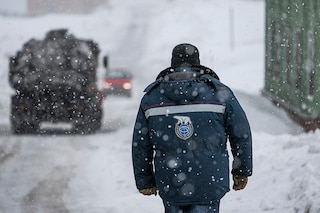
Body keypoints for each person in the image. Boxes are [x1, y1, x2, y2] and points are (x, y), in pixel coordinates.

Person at [132, 43, 252, 213]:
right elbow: (241, 133)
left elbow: (141, 143)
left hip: (171, 182)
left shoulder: (152, 98)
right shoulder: (219, 94)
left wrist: (145, 180)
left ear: (173, 64)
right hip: (209, 181)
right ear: (198, 62)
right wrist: (242, 170)